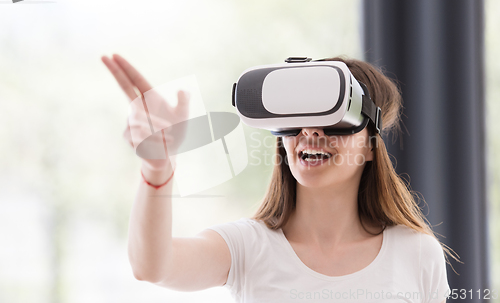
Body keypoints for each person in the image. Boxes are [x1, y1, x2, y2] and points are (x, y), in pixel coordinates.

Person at [101, 54, 459, 303]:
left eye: (333, 119)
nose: (310, 132)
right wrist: (157, 169)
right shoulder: (247, 247)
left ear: (369, 145)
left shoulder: (416, 252)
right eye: (297, 117)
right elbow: (152, 266)